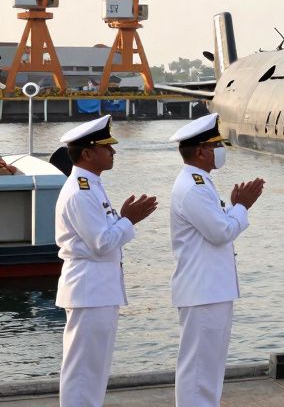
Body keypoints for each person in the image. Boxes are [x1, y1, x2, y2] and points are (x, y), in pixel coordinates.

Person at [53, 115, 157, 407]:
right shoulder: (80, 191)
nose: (113, 152)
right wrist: (129, 220)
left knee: (94, 368)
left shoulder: (92, 186)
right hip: (89, 288)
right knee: (84, 370)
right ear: (87, 153)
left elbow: (104, 235)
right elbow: (103, 243)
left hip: (98, 288)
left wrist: (123, 220)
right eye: (106, 147)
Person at [168, 113, 265, 407]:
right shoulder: (194, 187)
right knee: (199, 370)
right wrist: (241, 207)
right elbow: (221, 232)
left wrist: (234, 208)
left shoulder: (201, 182)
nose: (221, 149)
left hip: (210, 288)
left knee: (207, 369)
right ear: (200, 151)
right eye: (216, 144)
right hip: (204, 290)